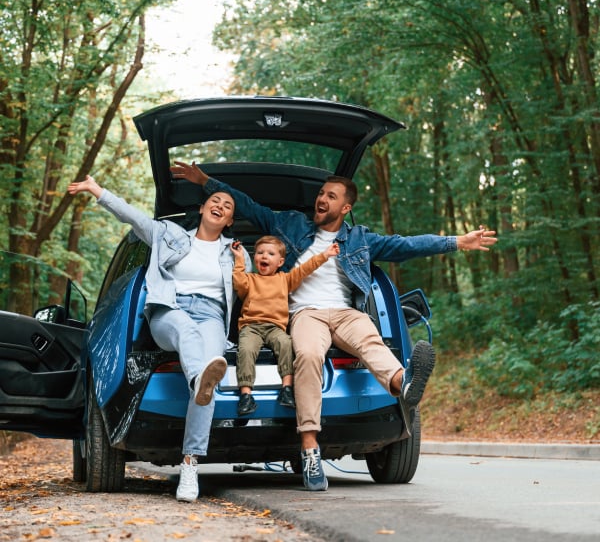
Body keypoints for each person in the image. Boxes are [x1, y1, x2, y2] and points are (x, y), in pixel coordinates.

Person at [171, 160, 498, 492]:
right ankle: (310, 449)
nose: (321, 198)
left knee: (371, 340)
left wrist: (457, 241)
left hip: (344, 312)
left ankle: (404, 383)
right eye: (321, 193)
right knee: (309, 356)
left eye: (330, 195)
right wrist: (204, 181)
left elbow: (406, 246)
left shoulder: (360, 239)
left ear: (345, 207)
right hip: (306, 314)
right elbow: (248, 205)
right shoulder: (290, 225)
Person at [67, 175, 252, 502]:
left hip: (211, 315)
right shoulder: (170, 236)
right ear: (203, 207)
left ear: (230, 220)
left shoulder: (234, 252)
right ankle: (198, 379)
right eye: (215, 201)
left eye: (227, 206)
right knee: (189, 340)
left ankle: (190, 464)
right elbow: (132, 216)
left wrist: (241, 267)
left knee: (210, 368)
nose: (220, 206)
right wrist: (97, 190)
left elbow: (249, 292)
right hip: (170, 310)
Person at [230, 235, 339, 416]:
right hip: (251, 327)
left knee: (287, 344)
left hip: (275, 328)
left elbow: (305, 269)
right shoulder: (250, 280)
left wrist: (325, 254)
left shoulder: (285, 279)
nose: (264, 256)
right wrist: (239, 258)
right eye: (260, 253)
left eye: (270, 253)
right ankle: (246, 395)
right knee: (246, 349)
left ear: (280, 262)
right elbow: (238, 281)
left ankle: (287, 389)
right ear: (254, 257)